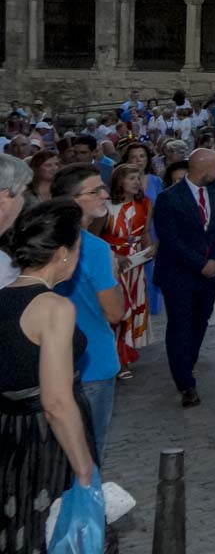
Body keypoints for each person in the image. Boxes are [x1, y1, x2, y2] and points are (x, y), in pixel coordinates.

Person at [0, 201, 100, 554]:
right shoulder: (54, 308)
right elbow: (56, 402)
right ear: (62, 253)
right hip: (45, 444)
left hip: (6, 438)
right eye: (77, 248)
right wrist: (85, 471)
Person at [151, 146, 215, 407]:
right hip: (179, 272)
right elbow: (170, 239)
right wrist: (200, 263)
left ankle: (187, 362)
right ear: (201, 168)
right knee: (179, 324)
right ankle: (185, 382)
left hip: (210, 273)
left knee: (200, 321)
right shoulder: (169, 198)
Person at [49, 165, 123, 461]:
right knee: (88, 458)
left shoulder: (36, 239)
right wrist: (115, 276)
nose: (105, 194)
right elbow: (115, 312)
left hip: (47, 363)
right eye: (95, 191)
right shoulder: (92, 247)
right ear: (72, 199)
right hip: (92, 362)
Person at [104, 163, 152, 372]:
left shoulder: (146, 203)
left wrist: (150, 249)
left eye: (138, 178)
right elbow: (95, 238)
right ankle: (118, 358)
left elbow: (145, 233)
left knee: (133, 306)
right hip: (113, 262)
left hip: (136, 261)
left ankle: (126, 351)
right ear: (119, 182)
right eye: (131, 178)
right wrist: (114, 255)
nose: (136, 182)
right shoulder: (106, 206)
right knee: (120, 307)